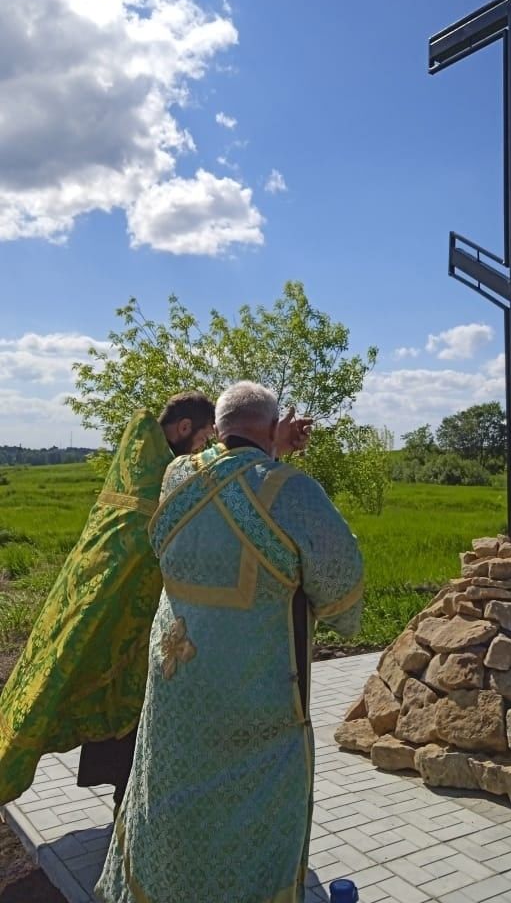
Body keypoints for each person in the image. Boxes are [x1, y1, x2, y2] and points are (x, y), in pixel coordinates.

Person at [95, 381, 364, 903]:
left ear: (215, 431)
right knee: (247, 816)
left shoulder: (176, 477)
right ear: (269, 425)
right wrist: (275, 455)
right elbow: (340, 581)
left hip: (175, 683)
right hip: (253, 698)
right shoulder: (293, 491)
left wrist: (269, 446)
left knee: (172, 800)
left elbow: (227, 480)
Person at [0, 392, 216, 812]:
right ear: (185, 428)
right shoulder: (156, 482)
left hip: (129, 630)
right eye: (204, 435)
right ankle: (127, 806)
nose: (204, 447)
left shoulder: (140, 469)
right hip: (128, 632)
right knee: (128, 715)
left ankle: (128, 800)